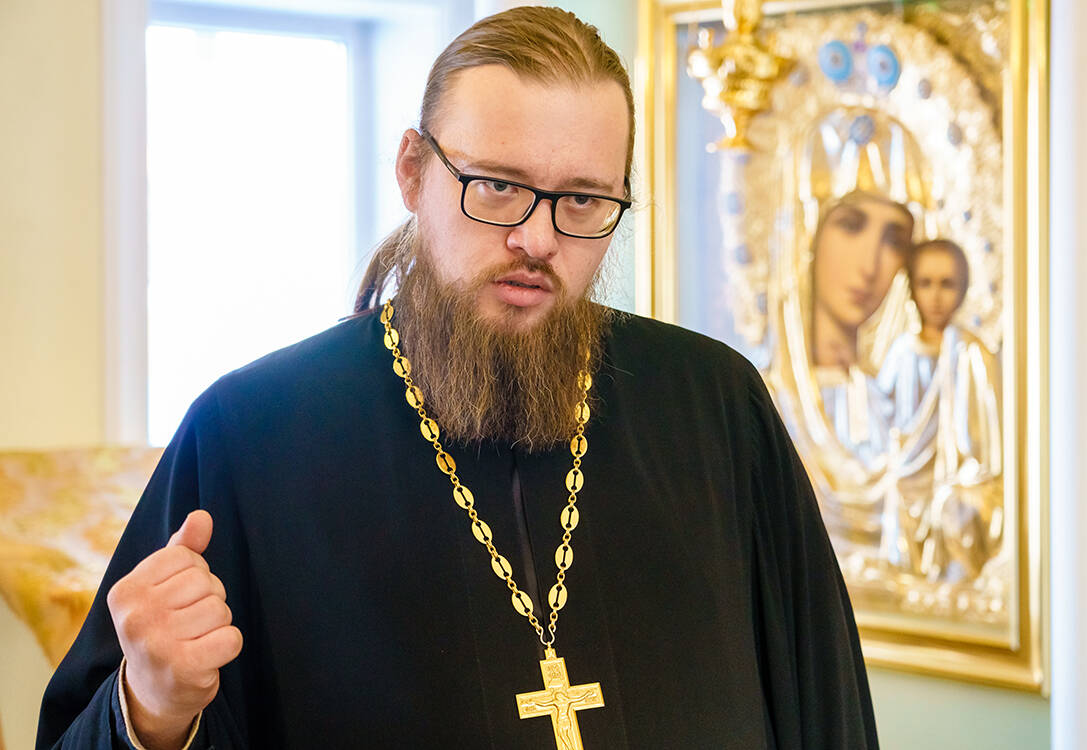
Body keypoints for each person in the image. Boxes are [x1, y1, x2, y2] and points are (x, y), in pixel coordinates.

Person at [37, 7, 876, 749]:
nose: (538, 239)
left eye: (583, 201)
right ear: (413, 171)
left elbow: (828, 712)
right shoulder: (250, 434)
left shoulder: (716, 407)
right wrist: (152, 712)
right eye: (498, 187)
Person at [875, 240, 1002, 580]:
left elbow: (986, 436)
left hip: (958, 474)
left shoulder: (972, 351)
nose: (935, 296)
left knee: (955, 504)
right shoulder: (902, 351)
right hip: (909, 469)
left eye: (947, 284)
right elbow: (883, 411)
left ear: (963, 288)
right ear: (912, 288)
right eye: (925, 283)